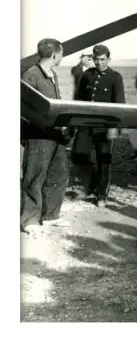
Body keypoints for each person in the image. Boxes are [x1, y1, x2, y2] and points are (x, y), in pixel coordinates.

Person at [21, 38, 72, 233]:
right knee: (35, 175)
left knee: (58, 172)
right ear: (54, 55)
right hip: (38, 134)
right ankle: (29, 220)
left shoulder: (52, 75)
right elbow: (24, 109)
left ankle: (50, 215)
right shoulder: (31, 75)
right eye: (61, 53)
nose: (62, 56)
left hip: (54, 133)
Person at [72, 44, 126, 207]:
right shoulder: (87, 75)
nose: (99, 63)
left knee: (104, 160)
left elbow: (119, 104)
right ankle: (91, 185)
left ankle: (102, 194)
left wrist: (114, 127)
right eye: (96, 59)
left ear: (108, 59)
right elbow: (79, 99)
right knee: (78, 155)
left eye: (102, 59)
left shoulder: (115, 77)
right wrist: (75, 122)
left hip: (104, 125)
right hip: (86, 124)